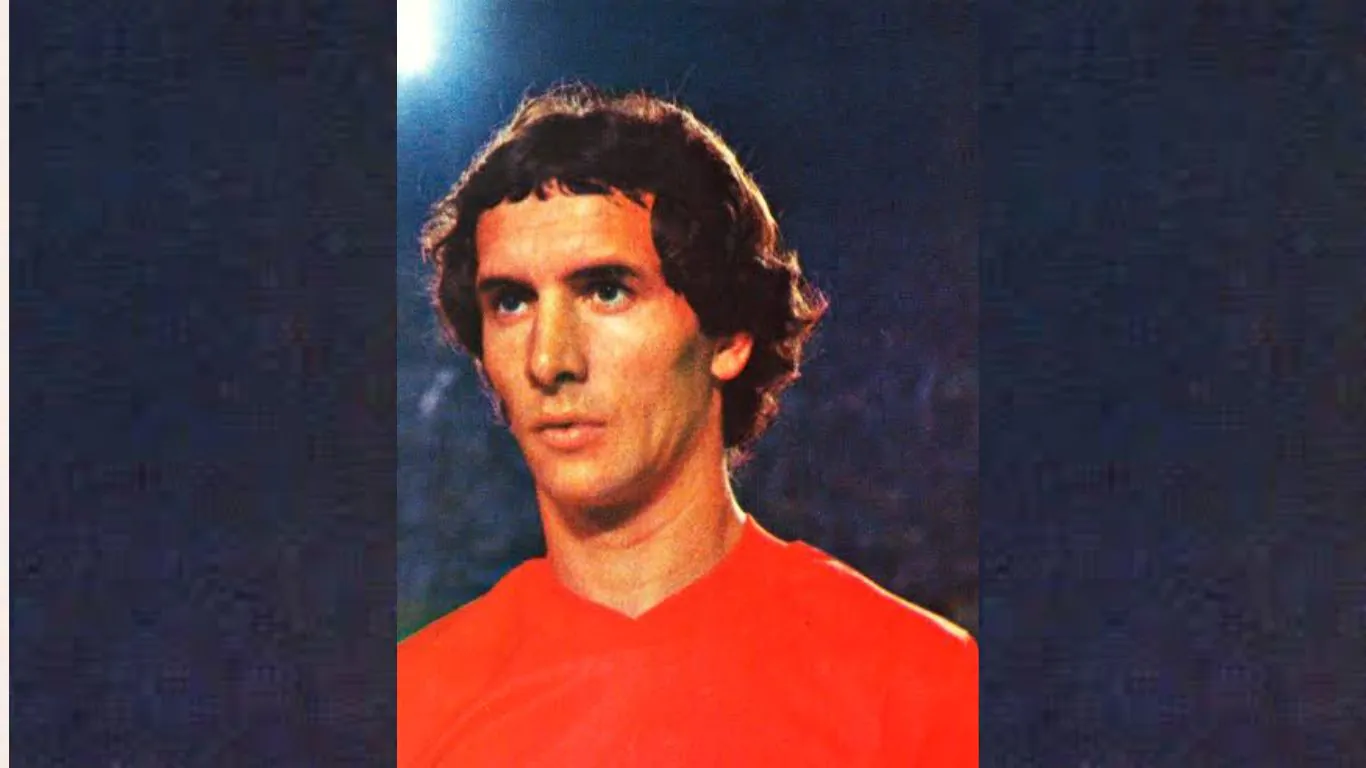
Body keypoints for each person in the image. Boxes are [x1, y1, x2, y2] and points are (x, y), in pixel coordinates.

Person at [398, 84, 977, 766]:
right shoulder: (413, 702)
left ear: (729, 335)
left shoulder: (920, 685)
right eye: (511, 302)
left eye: (606, 291)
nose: (548, 360)